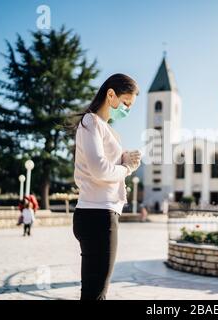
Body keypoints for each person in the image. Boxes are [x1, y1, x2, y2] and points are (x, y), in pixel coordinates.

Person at [72, 74, 141, 300]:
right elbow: (100, 170)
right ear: (111, 94)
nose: (127, 110)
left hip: (100, 214)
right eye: (126, 103)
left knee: (95, 291)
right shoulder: (91, 122)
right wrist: (127, 168)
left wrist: (125, 158)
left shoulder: (109, 129)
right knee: (95, 294)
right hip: (97, 215)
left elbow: (109, 165)